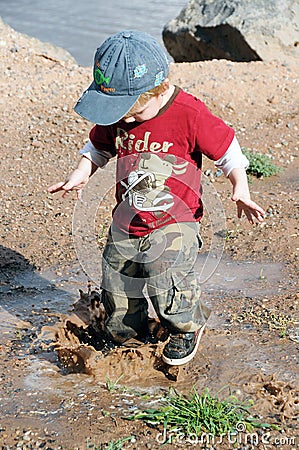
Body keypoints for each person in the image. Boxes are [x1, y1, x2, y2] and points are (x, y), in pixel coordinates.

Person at [47, 30, 265, 366]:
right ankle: (126, 332)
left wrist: (240, 186)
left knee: (165, 273)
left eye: (133, 113)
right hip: (128, 218)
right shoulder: (119, 115)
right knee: (116, 276)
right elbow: (98, 146)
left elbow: (227, 149)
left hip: (175, 220)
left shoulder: (188, 114)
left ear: (158, 89)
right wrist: (82, 171)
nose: (126, 121)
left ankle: (185, 326)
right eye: (118, 113)